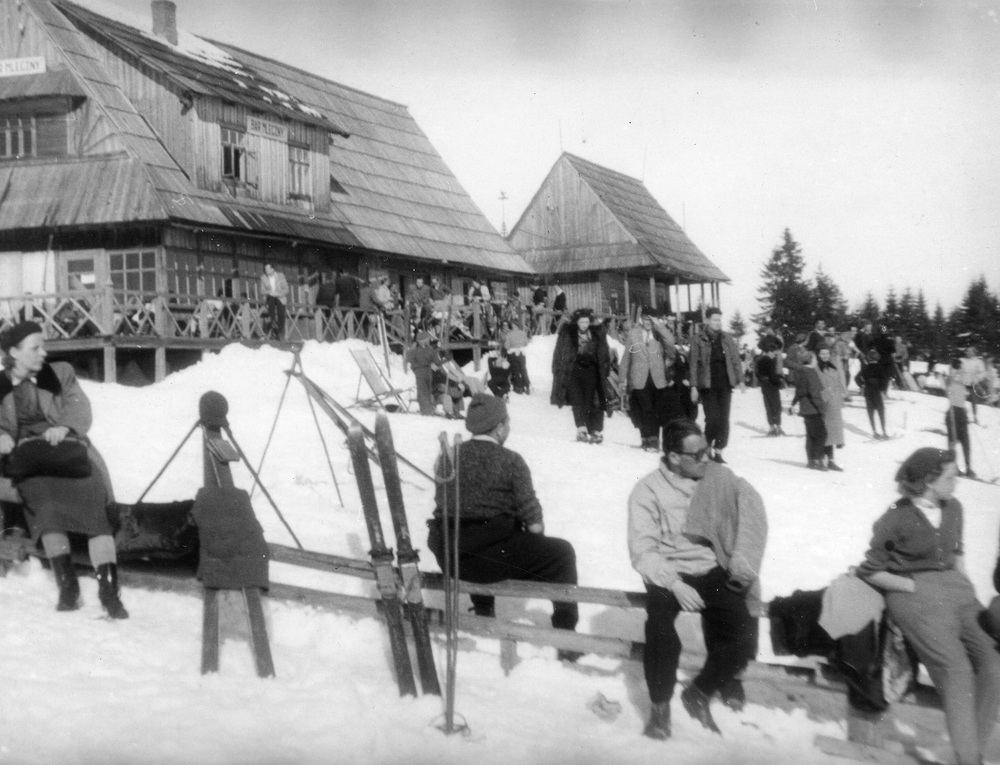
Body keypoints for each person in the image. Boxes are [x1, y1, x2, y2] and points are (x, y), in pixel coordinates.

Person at [857, 448, 1000, 765]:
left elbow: (958, 552)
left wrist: (966, 587)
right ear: (929, 481)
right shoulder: (895, 518)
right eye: (951, 477)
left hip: (959, 593)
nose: (957, 482)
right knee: (957, 670)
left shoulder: (955, 508)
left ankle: (972, 748)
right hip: (913, 595)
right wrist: (911, 586)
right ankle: (969, 759)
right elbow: (870, 570)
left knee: (994, 664)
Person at [628, 419, 766, 739]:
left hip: (708, 568)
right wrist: (674, 583)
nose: (708, 459)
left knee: (742, 633)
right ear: (674, 457)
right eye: (698, 455)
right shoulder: (647, 491)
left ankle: (701, 691)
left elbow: (747, 507)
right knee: (660, 630)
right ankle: (660, 710)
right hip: (668, 572)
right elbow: (642, 550)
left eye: (708, 450)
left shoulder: (716, 477)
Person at [427, 394, 580, 660]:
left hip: (451, 556)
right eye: (506, 422)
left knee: (477, 535)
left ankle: (484, 609)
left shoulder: (447, 457)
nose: (508, 427)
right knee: (562, 553)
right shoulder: (511, 461)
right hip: (488, 561)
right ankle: (565, 635)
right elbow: (534, 525)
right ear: (499, 427)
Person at [0, 322, 127, 618]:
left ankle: (109, 589)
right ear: (14, 352)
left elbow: (79, 406)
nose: (44, 353)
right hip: (31, 461)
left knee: (93, 498)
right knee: (45, 502)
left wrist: (64, 426)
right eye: (35, 348)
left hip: (68, 452)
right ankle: (67, 585)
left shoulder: (59, 374)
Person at [688, 307, 745, 464]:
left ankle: (718, 450)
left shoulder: (727, 338)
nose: (717, 323)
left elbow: (735, 360)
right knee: (712, 418)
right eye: (714, 320)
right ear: (707, 320)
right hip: (707, 384)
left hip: (725, 383)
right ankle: (705, 447)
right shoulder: (698, 339)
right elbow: (693, 364)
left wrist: (740, 380)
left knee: (724, 419)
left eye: (719, 320)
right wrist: (693, 386)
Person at [619, 306, 677, 451]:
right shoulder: (633, 334)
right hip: (639, 377)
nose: (648, 322)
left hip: (657, 378)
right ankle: (649, 439)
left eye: (651, 320)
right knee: (645, 409)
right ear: (641, 319)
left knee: (656, 410)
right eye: (646, 319)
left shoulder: (660, 334)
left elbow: (671, 344)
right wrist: (621, 379)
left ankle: (651, 440)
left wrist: (659, 326)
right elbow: (626, 357)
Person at [551, 308, 612, 444]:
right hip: (573, 370)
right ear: (576, 323)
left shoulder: (596, 334)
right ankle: (582, 429)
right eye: (581, 322)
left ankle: (595, 430)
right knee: (576, 399)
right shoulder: (568, 335)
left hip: (591, 370)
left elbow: (604, 352)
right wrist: (557, 369)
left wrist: (605, 368)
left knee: (594, 400)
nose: (584, 325)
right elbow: (559, 352)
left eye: (586, 322)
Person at [791, 350, 828, 470]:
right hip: (813, 408)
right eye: (815, 358)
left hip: (805, 408)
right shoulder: (811, 372)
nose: (817, 360)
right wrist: (821, 407)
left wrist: (794, 402)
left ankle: (811, 460)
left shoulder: (800, 371)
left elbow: (799, 390)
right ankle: (818, 460)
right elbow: (815, 392)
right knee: (821, 435)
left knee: (810, 436)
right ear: (811, 359)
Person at [816, 345, 846, 471]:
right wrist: (825, 398)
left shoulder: (832, 367)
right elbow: (817, 387)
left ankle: (831, 460)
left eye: (827, 353)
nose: (825, 356)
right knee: (825, 433)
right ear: (818, 355)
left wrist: (840, 399)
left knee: (833, 433)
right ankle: (822, 460)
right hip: (825, 403)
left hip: (835, 403)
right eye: (822, 354)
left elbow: (839, 383)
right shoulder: (816, 368)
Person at [945, 359, 975, 478]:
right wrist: (951, 375)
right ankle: (954, 466)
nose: (958, 370)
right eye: (957, 368)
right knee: (953, 440)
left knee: (965, 441)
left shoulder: (962, 378)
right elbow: (947, 390)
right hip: (953, 411)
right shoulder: (950, 379)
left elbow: (968, 379)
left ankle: (968, 467)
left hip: (961, 412)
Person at [856, 348, 890, 439]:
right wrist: (883, 390)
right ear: (877, 358)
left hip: (867, 392)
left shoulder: (865, 368)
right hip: (877, 392)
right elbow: (885, 380)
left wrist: (862, 385)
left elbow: (856, 378)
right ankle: (884, 432)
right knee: (881, 412)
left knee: (870, 413)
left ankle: (874, 432)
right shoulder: (880, 368)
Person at [405, 331, 441, 416]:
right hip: (428, 371)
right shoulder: (431, 350)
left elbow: (407, 358)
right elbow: (438, 362)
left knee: (421, 391)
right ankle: (428, 409)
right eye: (428, 339)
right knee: (428, 390)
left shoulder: (415, 351)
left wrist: (414, 366)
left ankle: (425, 410)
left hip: (419, 372)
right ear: (426, 340)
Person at [755, 337, 784, 436]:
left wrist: (763, 379)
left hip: (764, 386)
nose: (775, 354)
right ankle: (778, 427)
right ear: (770, 351)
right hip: (772, 386)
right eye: (774, 352)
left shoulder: (760, 360)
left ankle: (771, 427)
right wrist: (779, 381)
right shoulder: (770, 361)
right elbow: (772, 375)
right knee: (777, 406)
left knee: (768, 407)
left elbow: (757, 373)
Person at [260, 262, 289, 340]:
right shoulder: (263, 277)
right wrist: (269, 292)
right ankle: (273, 321)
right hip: (270, 297)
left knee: (281, 312)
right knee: (271, 299)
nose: (266, 270)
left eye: (268, 268)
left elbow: (286, 289)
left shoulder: (281, 276)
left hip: (279, 297)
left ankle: (281, 333)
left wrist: (278, 294)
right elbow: (262, 291)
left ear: (273, 269)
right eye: (265, 269)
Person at [500, 322, 530, 394]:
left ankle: (519, 387)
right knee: (523, 369)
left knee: (516, 370)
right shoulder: (523, 333)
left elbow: (506, 346)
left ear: (511, 326)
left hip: (513, 353)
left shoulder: (509, 334)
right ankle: (527, 386)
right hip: (521, 353)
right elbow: (526, 343)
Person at [960, 347, 988, 425]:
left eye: (969, 351)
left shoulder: (978, 362)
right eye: (967, 351)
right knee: (961, 400)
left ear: (974, 353)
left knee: (974, 401)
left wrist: (977, 379)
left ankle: (975, 417)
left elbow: (983, 373)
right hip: (963, 383)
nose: (967, 353)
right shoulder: (963, 361)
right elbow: (958, 370)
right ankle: (962, 416)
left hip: (973, 384)